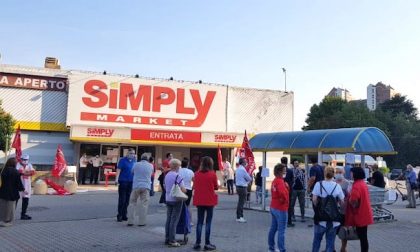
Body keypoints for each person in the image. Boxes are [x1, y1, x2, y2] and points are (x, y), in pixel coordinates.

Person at [312, 166, 345, 252]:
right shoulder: (337, 186)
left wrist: (318, 206)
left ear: (324, 173)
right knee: (330, 242)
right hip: (333, 219)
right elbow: (342, 202)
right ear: (333, 174)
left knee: (317, 241)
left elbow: (314, 200)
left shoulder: (318, 184)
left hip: (320, 218)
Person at [192, 156, 219, 251]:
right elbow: (216, 187)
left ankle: (197, 243)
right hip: (209, 200)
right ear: (211, 164)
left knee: (199, 222)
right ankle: (207, 243)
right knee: (208, 222)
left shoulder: (196, 174)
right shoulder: (213, 174)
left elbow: (194, 186)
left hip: (199, 200)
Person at [345, 167, 374, 252]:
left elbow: (354, 200)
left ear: (355, 174)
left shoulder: (356, 185)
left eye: (351, 172)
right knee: (364, 236)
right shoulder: (363, 183)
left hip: (359, 214)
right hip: (365, 213)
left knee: (362, 237)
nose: (350, 174)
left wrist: (351, 203)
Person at [164, 158, 187, 247]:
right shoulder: (178, 176)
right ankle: (172, 240)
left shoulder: (167, 175)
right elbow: (183, 189)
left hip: (168, 198)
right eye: (179, 166)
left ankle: (167, 238)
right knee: (174, 220)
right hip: (176, 199)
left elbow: (165, 186)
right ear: (177, 166)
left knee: (168, 219)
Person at [127, 153, 154, 226]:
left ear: (141, 158)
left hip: (136, 185)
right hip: (146, 186)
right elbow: (151, 174)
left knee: (132, 203)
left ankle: (130, 221)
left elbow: (132, 172)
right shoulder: (151, 165)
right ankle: (142, 222)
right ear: (148, 159)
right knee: (144, 204)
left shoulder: (136, 164)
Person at [268, 163, 289, 252]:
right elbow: (282, 193)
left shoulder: (275, 180)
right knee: (281, 230)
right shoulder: (280, 181)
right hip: (281, 208)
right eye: (284, 170)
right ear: (280, 171)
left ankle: (271, 248)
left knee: (273, 228)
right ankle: (282, 249)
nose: (285, 171)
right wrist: (285, 201)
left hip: (274, 206)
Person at [0, 158, 25, 227]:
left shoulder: (2, 170)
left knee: (2, 206)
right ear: (14, 164)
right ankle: (7, 221)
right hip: (12, 193)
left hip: (2, 192)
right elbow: (18, 183)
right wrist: (23, 189)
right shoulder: (15, 172)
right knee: (10, 207)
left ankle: (1, 219)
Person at [116, 149, 136, 222]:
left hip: (131, 182)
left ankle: (124, 214)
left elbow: (135, 171)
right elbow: (118, 170)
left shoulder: (134, 161)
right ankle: (120, 215)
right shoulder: (122, 160)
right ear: (127, 153)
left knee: (128, 200)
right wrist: (116, 179)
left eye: (133, 153)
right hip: (123, 181)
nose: (132, 155)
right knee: (122, 199)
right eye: (131, 153)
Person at [334, 166, 351, 252]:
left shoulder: (347, 183)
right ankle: (331, 247)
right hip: (333, 211)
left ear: (343, 173)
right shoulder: (332, 182)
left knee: (344, 229)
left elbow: (349, 195)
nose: (339, 174)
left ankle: (343, 248)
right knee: (332, 230)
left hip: (343, 211)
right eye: (337, 172)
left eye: (340, 172)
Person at [16, 154, 35, 220]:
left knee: (26, 201)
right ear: (21, 159)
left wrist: (24, 172)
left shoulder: (29, 165)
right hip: (19, 186)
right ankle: (10, 214)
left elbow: (33, 172)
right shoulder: (18, 164)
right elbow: (18, 172)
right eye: (23, 159)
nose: (25, 161)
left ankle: (23, 214)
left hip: (27, 186)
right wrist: (26, 172)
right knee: (15, 200)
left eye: (26, 160)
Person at [235, 157, 252, 223]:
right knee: (241, 203)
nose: (246, 163)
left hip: (238, 186)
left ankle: (238, 216)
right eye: (245, 161)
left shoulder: (238, 169)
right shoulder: (243, 169)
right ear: (242, 162)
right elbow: (248, 178)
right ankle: (240, 217)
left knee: (240, 202)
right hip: (242, 187)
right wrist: (249, 178)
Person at [179, 157, 194, 225]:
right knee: (188, 206)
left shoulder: (178, 171)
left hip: (180, 189)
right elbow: (194, 181)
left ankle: (179, 221)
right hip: (188, 189)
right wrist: (193, 188)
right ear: (187, 164)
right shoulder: (191, 172)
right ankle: (189, 221)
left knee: (179, 206)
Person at [283, 157, 295, 227]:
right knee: (289, 206)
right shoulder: (290, 171)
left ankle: (282, 221)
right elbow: (293, 180)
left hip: (281, 189)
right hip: (288, 190)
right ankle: (289, 221)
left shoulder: (279, 170)